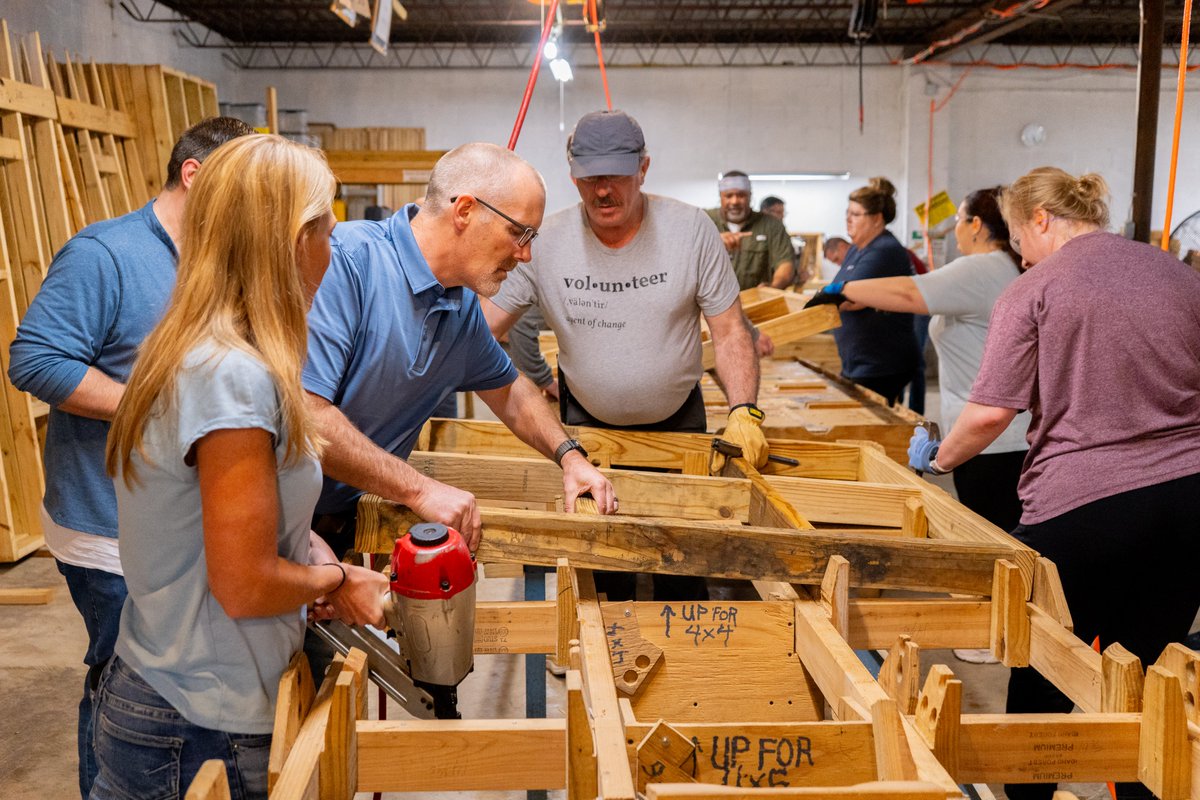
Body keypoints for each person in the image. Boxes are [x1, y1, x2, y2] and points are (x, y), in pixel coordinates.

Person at [91, 135, 385, 800]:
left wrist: (304, 551)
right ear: (290, 242)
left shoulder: (214, 353)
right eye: (325, 234)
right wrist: (338, 579)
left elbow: (231, 525)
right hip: (197, 722)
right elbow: (246, 585)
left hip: (182, 692)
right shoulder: (231, 377)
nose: (330, 255)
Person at [907, 167, 1200, 800]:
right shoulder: (1179, 275)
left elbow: (989, 413)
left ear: (1040, 219)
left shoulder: (1035, 288)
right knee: (1149, 676)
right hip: (1190, 500)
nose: (1018, 253)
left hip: (1084, 508)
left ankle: (1028, 791)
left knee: (1042, 669)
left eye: (1018, 237)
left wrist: (939, 461)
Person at [7, 116, 253, 799]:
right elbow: (34, 360)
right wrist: (149, 405)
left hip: (179, 526)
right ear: (194, 174)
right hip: (107, 528)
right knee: (124, 693)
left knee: (171, 696)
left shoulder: (216, 264)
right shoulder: (105, 254)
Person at [482, 109, 765, 601]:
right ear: (573, 176)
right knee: (603, 565)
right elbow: (481, 328)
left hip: (678, 424)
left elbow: (730, 332)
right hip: (588, 431)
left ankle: (682, 656)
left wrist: (744, 410)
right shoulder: (545, 242)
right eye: (590, 178)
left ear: (643, 169)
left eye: (615, 176)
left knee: (681, 561)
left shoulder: (691, 231)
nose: (603, 191)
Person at [303, 142, 615, 563]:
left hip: (347, 520)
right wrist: (419, 488)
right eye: (518, 232)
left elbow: (509, 392)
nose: (525, 254)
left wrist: (570, 457)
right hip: (286, 522)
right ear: (465, 210)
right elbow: (308, 414)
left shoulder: (459, 302)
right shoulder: (349, 263)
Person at [806, 186, 1030, 526]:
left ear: (975, 225)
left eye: (958, 220)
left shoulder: (981, 268)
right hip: (995, 437)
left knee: (996, 539)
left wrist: (842, 290)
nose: (955, 229)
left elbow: (909, 292)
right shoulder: (998, 268)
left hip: (992, 444)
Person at [807, 178, 918, 405]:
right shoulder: (858, 249)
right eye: (848, 213)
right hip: (860, 361)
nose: (848, 220)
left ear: (877, 218)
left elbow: (851, 297)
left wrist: (823, 297)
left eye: (856, 215)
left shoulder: (885, 250)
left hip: (881, 363)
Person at [706, 171, 795, 290]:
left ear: (750, 196)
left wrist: (774, 287)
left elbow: (785, 264)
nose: (735, 201)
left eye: (741, 195)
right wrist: (713, 242)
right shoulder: (704, 220)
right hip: (710, 305)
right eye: (728, 196)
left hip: (756, 302)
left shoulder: (772, 225)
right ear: (720, 196)